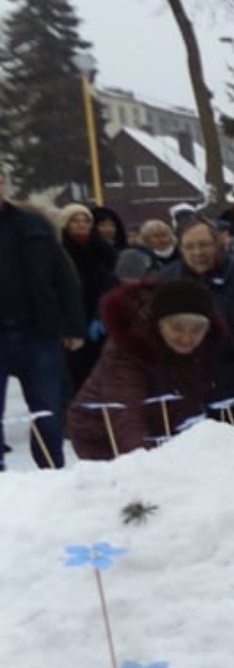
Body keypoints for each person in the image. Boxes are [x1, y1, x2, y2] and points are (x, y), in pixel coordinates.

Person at [67, 278, 226, 459]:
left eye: (196, 330)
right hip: (102, 434)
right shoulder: (128, 351)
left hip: (164, 425)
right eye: (177, 328)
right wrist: (149, 464)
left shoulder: (205, 347)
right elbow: (125, 414)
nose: (187, 338)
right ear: (159, 323)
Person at [0, 168, 82, 469]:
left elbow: (63, 277)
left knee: (47, 410)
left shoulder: (33, 225)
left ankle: (51, 471)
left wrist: (74, 325)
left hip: (38, 334)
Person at [166, 215, 234, 423]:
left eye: (204, 245)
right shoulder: (167, 281)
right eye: (190, 246)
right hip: (187, 384)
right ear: (180, 249)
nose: (198, 252)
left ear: (217, 244)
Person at [59, 202, 117, 394]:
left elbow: (112, 281)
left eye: (85, 220)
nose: (81, 224)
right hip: (72, 320)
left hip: (100, 315)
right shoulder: (59, 251)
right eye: (75, 220)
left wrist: (102, 313)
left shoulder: (104, 250)